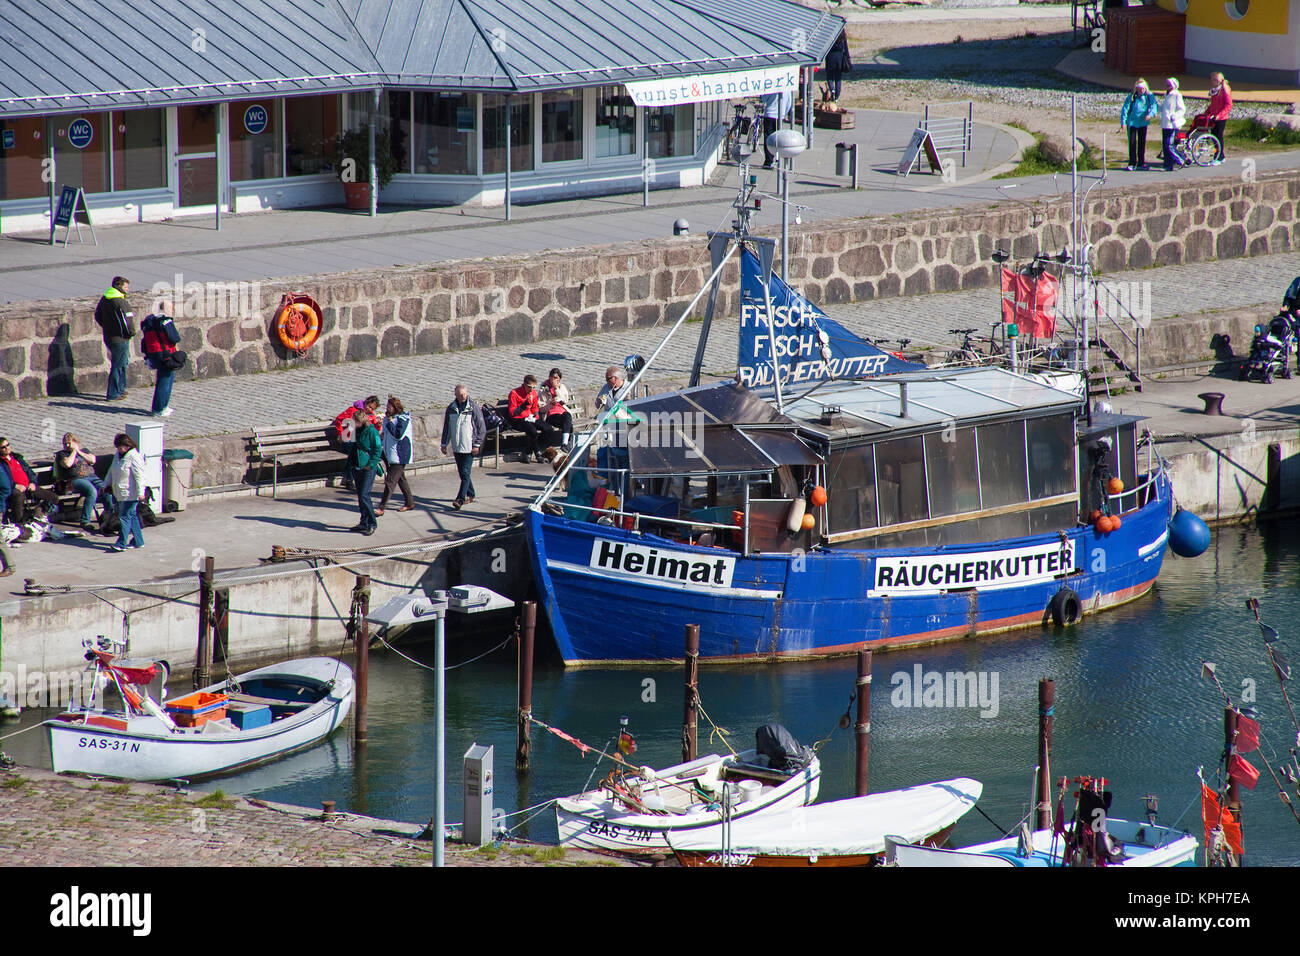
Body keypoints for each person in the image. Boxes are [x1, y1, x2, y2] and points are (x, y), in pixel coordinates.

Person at [441, 384, 486, 510]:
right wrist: (444, 444)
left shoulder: (473, 408)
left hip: (470, 447)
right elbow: (447, 428)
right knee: (463, 474)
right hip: (457, 447)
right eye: (460, 395)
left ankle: (460, 499)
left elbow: (482, 428)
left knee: (465, 473)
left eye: (464, 395)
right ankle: (471, 494)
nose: (462, 397)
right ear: (455, 395)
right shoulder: (451, 408)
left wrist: (477, 445)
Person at [55, 433, 111, 532]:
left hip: (92, 477)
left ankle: (110, 516)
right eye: (65, 443)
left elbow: (93, 460)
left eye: (69, 443)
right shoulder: (62, 454)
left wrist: (78, 452)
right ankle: (85, 521)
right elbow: (67, 464)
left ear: (75, 442)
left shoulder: (84, 451)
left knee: (107, 489)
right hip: (76, 479)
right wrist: (73, 452)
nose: (66, 446)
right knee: (92, 491)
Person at [595, 365, 636, 498]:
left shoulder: (630, 388)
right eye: (606, 379)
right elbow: (597, 404)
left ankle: (624, 493)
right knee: (603, 454)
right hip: (609, 428)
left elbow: (631, 408)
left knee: (622, 459)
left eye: (608, 379)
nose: (606, 382)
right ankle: (605, 487)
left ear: (616, 378)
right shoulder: (606, 388)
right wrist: (599, 401)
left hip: (625, 430)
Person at [94, 276, 135, 401]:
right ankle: (113, 393)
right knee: (119, 365)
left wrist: (106, 326)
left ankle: (120, 389)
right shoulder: (120, 302)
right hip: (120, 338)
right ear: (119, 287)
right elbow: (128, 320)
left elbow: (97, 315)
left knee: (121, 363)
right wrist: (131, 333)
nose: (128, 289)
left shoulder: (105, 299)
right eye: (126, 287)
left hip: (109, 336)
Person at [0, 438, 58, 526]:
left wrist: (32, 482)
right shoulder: (1, 463)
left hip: (28, 486)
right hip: (13, 489)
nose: (7, 448)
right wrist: (15, 485)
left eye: (8, 445)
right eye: (3, 447)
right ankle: (19, 523)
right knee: (18, 497)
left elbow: (29, 471)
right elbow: (3, 480)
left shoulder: (17, 457)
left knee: (53, 497)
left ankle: (37, 515)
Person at [139, 302, 182, 417]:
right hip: (165, 353)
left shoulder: (150, 320)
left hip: (153, 353)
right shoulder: (166, 321)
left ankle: (162, 406)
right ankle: (159, 408)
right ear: (167, 309)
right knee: (165, 380)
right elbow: (175, 337)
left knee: (162, 379)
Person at [329, 396, 381, 490]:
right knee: (355, 454)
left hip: (361, 441)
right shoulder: (353, 410)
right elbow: (339, 419)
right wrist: (340, 434)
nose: (370, 409)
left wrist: (378, 425)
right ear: (366, 403)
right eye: (369, 406)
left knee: (367, 452)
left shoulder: (371, 414)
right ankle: (349, 479)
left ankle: (362, 476)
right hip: (349, 438)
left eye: (372, 408)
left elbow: (372, 430)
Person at [106, 433, 146, 551]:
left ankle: (121, 543)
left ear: (127, 445)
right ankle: (138, 541)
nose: (119, 449)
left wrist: (141, 492)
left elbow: (140, 476)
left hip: (131, 493)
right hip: (120, 492)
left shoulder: (134, 456)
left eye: (120, 446)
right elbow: (111, 471)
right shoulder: (117, 456)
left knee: (124, 517)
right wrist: (105, 484)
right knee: (132, 516)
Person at [347, 409, 384, 535]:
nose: (352, 422)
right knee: (360, 496)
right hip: (356, 465)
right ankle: (363, 522)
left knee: (364, 495)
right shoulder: (355, 430)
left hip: (367, 467)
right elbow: (349, 444)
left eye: (354, 421)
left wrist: (371, 464)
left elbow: (377, 449)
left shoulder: (371, 431)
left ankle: (372, 523)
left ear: (360, 421)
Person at [377, 395, 414, 515]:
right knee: (401, 480)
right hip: (390, 454)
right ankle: (409, 503)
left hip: (400, 455)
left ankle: (382, 507)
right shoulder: (389, 418)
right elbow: (385, 435)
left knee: (390, 481)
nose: (387, 409)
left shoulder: (403, 419)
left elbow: (398, 435)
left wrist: (390, 423)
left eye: (389, 407)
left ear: (395, 407)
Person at [506, 374, 550, 464]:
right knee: (532, 431)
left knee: (548, 429)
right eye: (529, 387)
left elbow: (535, 408)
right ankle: (538, 453)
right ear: (524, 385)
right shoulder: (514, 393)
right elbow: (512, 413)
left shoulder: (533, 393)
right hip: (518, 419)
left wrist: (536, 416)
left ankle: (528, 451)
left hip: (529, 417)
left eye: (534, 387)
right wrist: (523, 406)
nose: (531, 389)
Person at [1120, 79, 1157, 171]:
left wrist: (1150, 114)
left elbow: (1154, 106)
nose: (1141, 90)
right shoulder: (1131, 96)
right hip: (1132, 123)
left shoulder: (1149, 96)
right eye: (1139, 88)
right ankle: (1132, 163)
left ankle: (1141, 162)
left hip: (1143, 123)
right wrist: (1123, 123)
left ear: (1145, 88)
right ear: (1136, 88)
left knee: (1142, 143)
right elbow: (1125, 109)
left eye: (1143, 88)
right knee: (1132, 143)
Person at [538, 367, 575, 449]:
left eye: (557, 379)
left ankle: (564, 444)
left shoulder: (561, 387)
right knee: (568, 425)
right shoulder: (543, 389)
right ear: (549, 377)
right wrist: (551, 404)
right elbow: (541, 408)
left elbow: (565, 400)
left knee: (568, 416)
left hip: (562, 412)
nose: (555, 381)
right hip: (551, 414)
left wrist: (556, 389)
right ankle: (566, 444)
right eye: (553, 378)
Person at [1158, 77, 1186, 172]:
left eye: (1169, 85)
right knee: (1165, 145)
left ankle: (1181, 160)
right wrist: (1156, 108)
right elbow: (1164, 108)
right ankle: (1167, 165)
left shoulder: (1177, 95)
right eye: (1166, 85)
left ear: (1174, 85)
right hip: (1165, 124)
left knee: (1169, 144)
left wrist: (1174, 116)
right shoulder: (1167, 94)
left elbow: (1182, 109)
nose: (1167, 87)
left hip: (1172, 124)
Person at [1204, 71, 1232, 165]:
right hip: (1214, 116)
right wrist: (1207, 112)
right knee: (1214, 136)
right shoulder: (1214, 90)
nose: (1213, 81)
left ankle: (1218, 158)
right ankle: (1221, 156)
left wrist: (1220, 115)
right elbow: (1213, 104)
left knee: (1218, 137)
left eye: (1215, 79)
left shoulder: (1225, 89)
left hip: (1221, 118)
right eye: (1212, 79)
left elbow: (1228, 105)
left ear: (1220, 80)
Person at [761, 90, 794, 168]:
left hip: (769, 114)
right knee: (778, 138)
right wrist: (784, 114)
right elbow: (789, 103)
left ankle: (768, 161)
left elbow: (763, 99)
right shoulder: (787, 89)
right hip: (780, 116)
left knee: (768, 138)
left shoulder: (772, 86)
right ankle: (777, 159)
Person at [824, 30, 851, 103]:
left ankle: (832, 89)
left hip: (830, 57)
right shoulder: (842, 36)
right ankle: (836, 97)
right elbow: (846, 48)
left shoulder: (830, 34)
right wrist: (848, 58)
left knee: (829, 76)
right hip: (839, 59)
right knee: (838, 78)